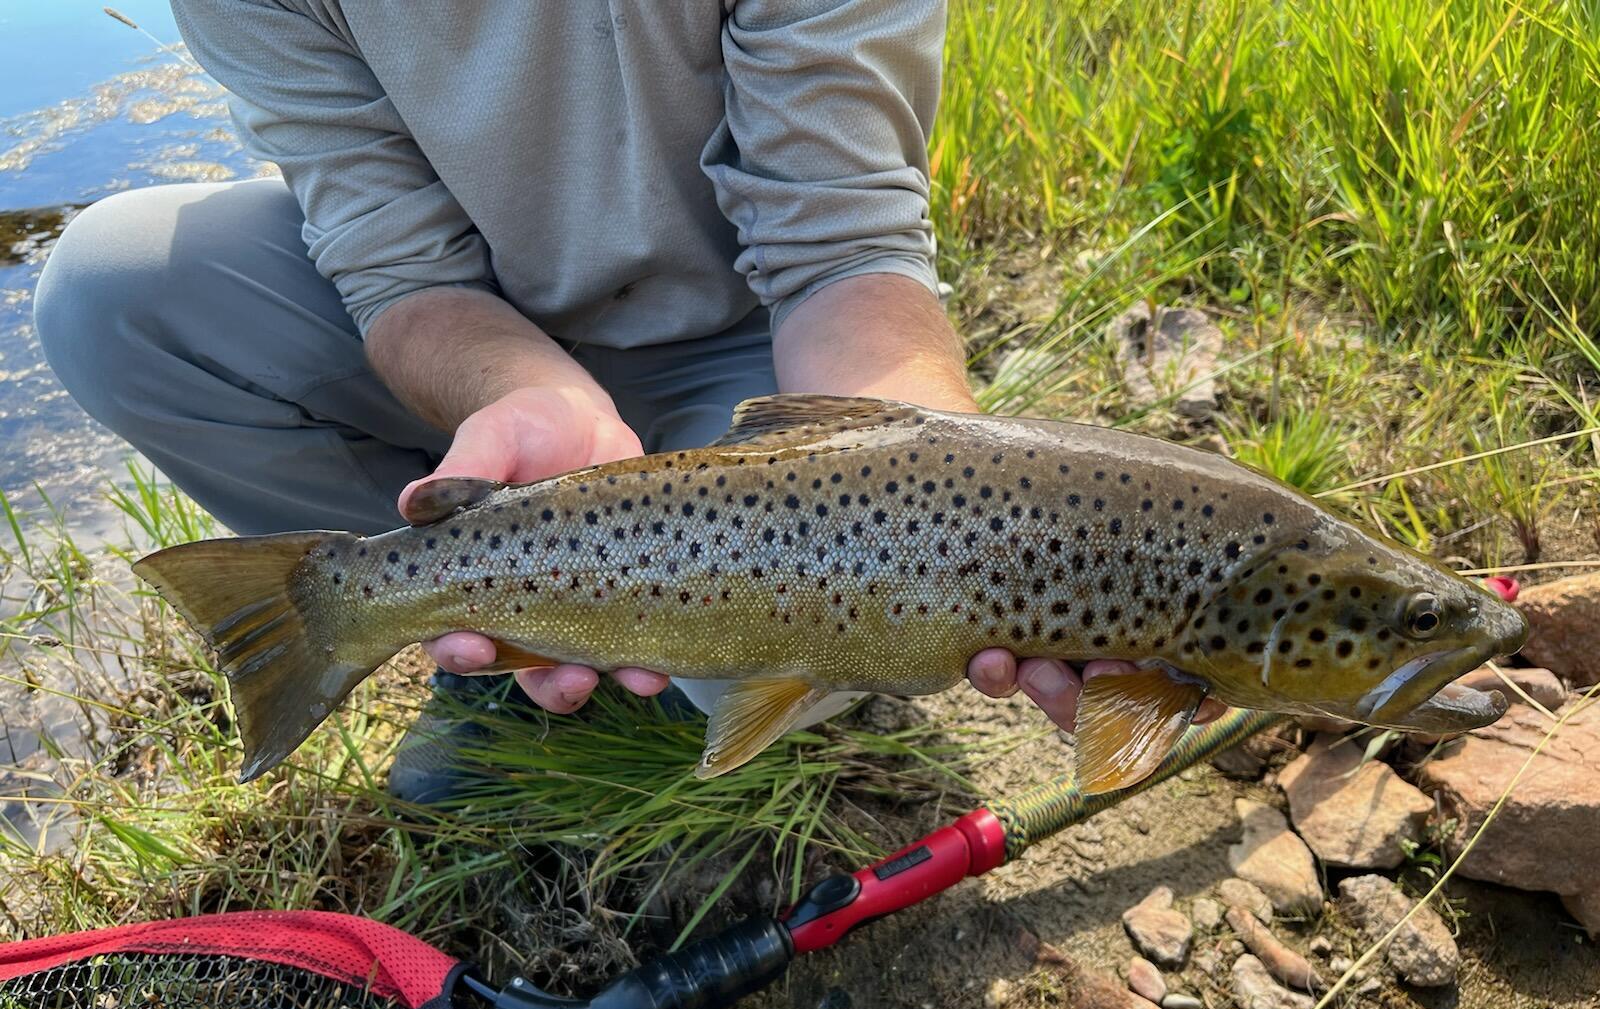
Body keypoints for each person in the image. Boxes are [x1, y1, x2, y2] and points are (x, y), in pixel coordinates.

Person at [35, 0, 1220, 800]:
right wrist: (524, 393)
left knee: (793, 662)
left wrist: (939, 473)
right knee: (111, 293)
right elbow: (399, 269)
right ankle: (451, 627)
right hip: (495, 334)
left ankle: (610, 640)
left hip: (755, 355)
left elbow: (839, 242)